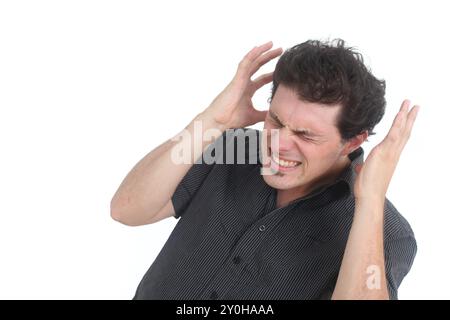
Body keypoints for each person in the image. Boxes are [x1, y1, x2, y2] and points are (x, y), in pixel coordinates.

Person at [110, 39, 419, 300]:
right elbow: (127, 210)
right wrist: (211, 122)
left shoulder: (387, 232)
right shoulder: (231, 148)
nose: (278, 143)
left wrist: (370, 203)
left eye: (304, 135)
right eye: (276, 120)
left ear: (352, 142)